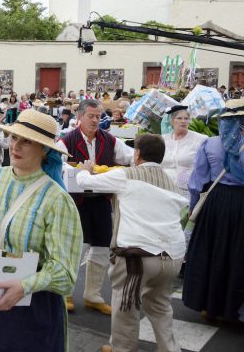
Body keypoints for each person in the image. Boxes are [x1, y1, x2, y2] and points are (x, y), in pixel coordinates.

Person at [0, 109, 82, 352]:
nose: (15, 146)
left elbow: (65, 273)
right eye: (14, 138)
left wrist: (25, 284)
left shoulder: (57, 200)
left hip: (28, 310)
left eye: (27, 141)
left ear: (44, 150)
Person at [77, 134, 186, 352]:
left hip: (137, 257)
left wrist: (85, 169)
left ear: (136, 154)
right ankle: (169, 349)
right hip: (173, 256)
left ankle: (121, 349)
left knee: (125, 306)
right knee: (161, 306)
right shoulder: (172, 184)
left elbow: (85, 182)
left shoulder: (126, 175)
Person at [62, 99, 134, 315]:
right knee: (78, 247)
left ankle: (93, 294)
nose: (95, 120)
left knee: (103, 247)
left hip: (102, 199)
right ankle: (65, 292)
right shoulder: (67, 140)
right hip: (77, 201)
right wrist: (77, 171)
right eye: (90, 116)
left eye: (98, 116)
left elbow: (131, 157)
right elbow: (58, 163)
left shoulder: (109, 139)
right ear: (80, 118)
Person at [182, 98, 244, 322]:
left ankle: (208, 306)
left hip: (215, 203)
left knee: (212, 253)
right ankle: (232, 309)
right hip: (241, 205)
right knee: (236, 257)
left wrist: (192, 208)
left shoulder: (210, 143)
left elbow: (197, 182)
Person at [160, 105, 206, 199]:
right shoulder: (163, 139)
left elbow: (204, 167)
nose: (183, 121)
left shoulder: (201, 139)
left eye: (186, 118)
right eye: (179, 118)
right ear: (172, 121)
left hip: (187, 190)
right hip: (164, 188)